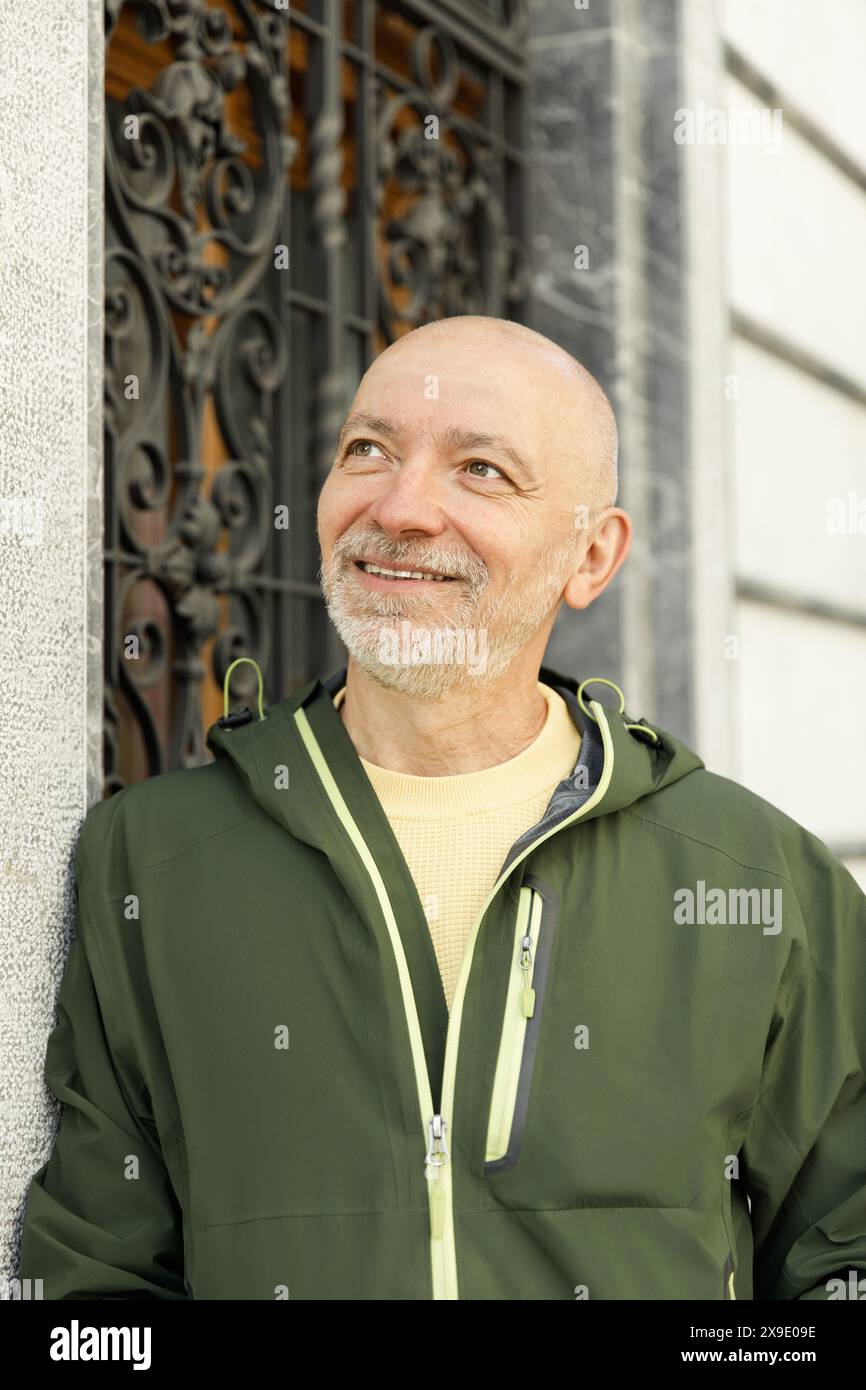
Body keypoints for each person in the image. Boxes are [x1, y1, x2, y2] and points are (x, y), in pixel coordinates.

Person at [19, 316, 866, 1299]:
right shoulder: (155, 858)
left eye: (481, 470)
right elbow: (97, 1274)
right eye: (367, 449)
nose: (402, 506)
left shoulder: (753, 875)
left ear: (590, 556)